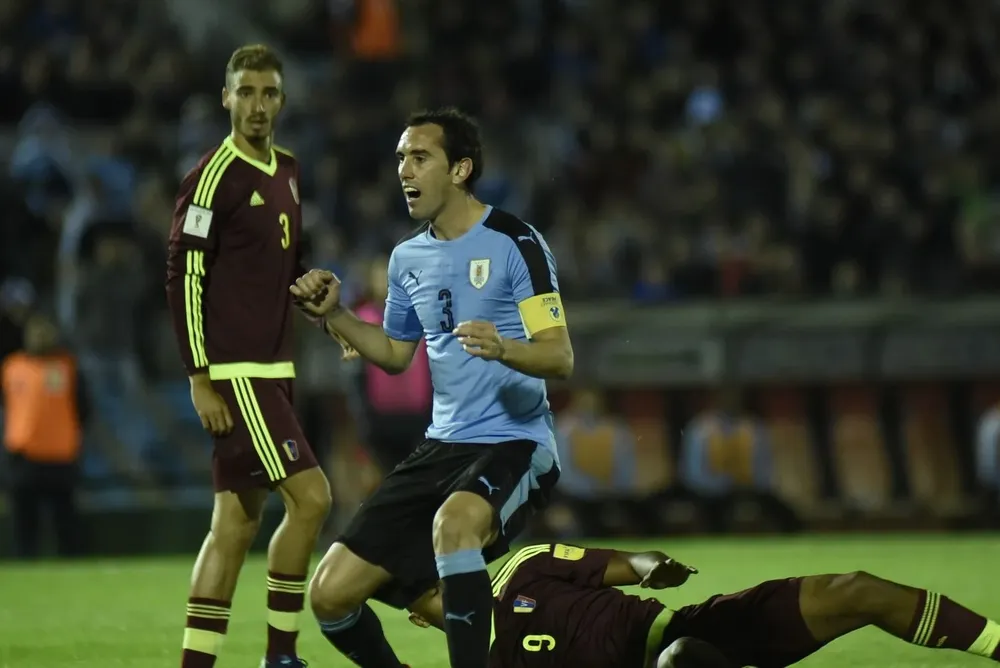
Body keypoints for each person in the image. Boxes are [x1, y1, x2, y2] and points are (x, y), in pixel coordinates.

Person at [290, 107, 574, 668]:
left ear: (461, 169)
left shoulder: (517, 242)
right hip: (440, 446)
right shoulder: (407, 257)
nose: (404, 170)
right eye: (401, 158)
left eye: (420, 157)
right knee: (329, 595)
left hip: (515, 443)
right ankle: (545, 634)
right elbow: (395, 354)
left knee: (454, 525)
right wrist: (335, 316)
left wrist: (505, 347)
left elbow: (560, 356)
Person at [164, 44, 331, 668]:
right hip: (240, 375)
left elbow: (283, 264)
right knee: (313, 500)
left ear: (282, 101)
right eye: (247, 92)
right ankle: (281, 657)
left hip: (276, 369)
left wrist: (314, 292)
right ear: (226, 98)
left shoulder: (287, 169)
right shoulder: (213, 175)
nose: (258, 105)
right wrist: (199, 379)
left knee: (232, 527)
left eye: (269, 94)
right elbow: (184, 277)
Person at [406, 542, 1000, 668]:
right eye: (434, 593)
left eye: (446, 577)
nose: (450, 590)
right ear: (419, 618)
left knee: (857, 589)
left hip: (689, 627)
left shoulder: (525, 565)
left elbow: (625, 563)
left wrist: (650, 568)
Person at [2, 310, 86, 558]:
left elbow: (84, 408)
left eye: (44, 332)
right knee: (25, 524)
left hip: (60, 456)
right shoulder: (11, 367)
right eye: (35, 332)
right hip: (24, 457)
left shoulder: (67, 366)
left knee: (66, 522)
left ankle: (73, 568)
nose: (39, 337)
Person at [349, 253, 432, 473]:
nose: (385, 283)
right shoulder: (363, 318)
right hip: (380, 419)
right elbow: (354, 374)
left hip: (418, 416)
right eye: (379, 277)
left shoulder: (421, 313)